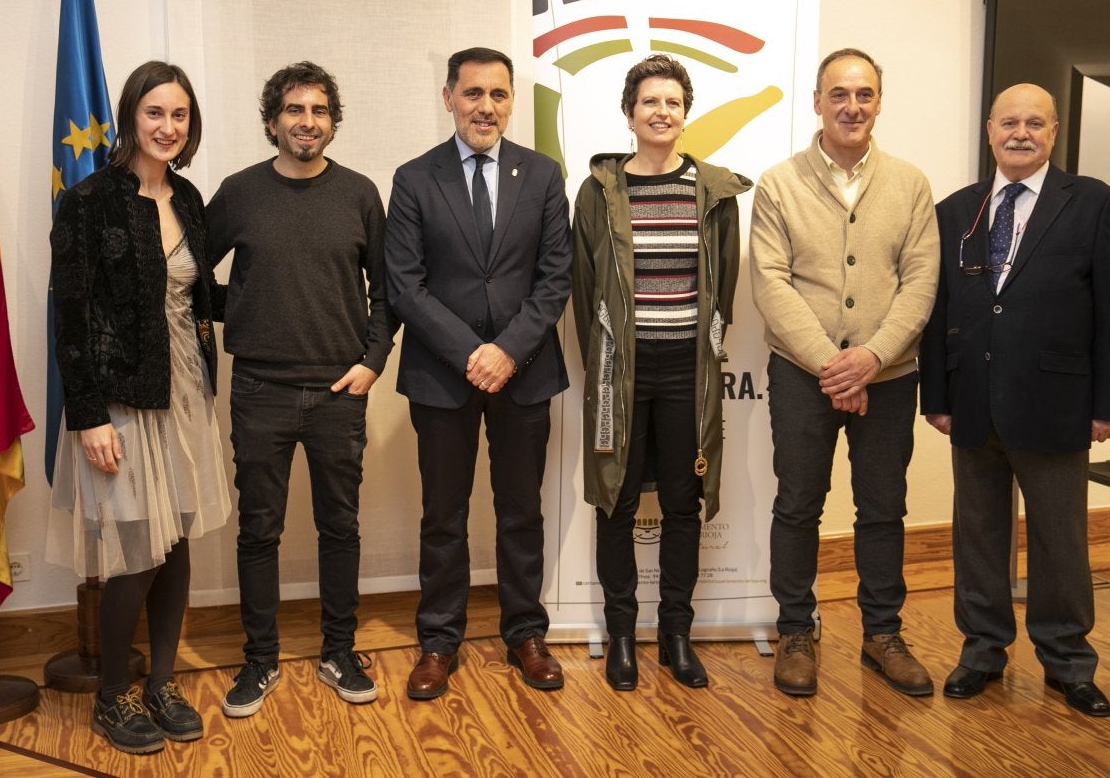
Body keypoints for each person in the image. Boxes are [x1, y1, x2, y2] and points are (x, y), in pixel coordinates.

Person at [919, 83, 1110, 717]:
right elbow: (939, 313)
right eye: (1009, 122)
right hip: (972, 402)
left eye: (1034, 123)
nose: (1020, 133)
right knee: (978, 535)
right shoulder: (957, 210)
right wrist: (937, 394)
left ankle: (1069, 660)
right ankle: (982, 650)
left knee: (1059, 539)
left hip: (1057, 402)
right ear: (990, 131)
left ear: (1054, 132)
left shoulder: (1095, 204)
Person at [48, 60, 231, 754]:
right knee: (134, 549)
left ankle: (161, 680)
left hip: (185, 391)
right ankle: (112, 696)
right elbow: (70, 316)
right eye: (155, 112)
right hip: (119, 401)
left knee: (176, 538)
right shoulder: (90, 200)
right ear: (130, 117)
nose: (167, 126)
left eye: (180, 114)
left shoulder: (188, 197)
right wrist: (88, 413)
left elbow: (198, 298)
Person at [207, 62, 395, 715]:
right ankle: (259, 660)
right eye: (294, 109)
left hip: (341, 393)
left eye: (318, 110)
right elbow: (189, 272)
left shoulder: (361, 195)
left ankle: (338, 650)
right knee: (259, 530)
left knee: (338, 526)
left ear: (332, 122)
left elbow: (388, 290)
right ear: (272, 122)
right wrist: (248, 305)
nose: (306, 120)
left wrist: (374, 359)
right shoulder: (238, 193)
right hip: (259, 391)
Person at [750, 48, 939, 698]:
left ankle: (881, 633)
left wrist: (872, 357)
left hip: (888, 375)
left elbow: (920, 282)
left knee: (883, 507)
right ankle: (797, 630)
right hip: (803, 373)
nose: (851, 106)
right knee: (799, 504)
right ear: (817, 102)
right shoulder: (778, 183)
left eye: (863, 94)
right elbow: (770, 282)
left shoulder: (911, 183)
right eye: (839, 94)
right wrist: (834, 364)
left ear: (879, 102)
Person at [385, 46, 572, 700]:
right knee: (443, 514)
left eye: (498, 94)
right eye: (472, 93)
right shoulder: (413, 178)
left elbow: (555, 279)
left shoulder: (544, 176)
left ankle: (526, 632)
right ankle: (439, 640)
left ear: (511, 100)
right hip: (443, 374)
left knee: (521, 512)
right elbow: (404, 286)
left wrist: (507, 350)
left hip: (524, 372)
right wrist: (472, 351)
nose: (485, 106)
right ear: (448, 98)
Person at [571, 54, 751, 691]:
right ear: (629, 113)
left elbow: (724, 286)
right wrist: (607, 359)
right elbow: (584, 287)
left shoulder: (714, 192)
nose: (662, 111)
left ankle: (676, 632)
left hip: (686, 372)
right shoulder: (597, 192)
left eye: (673, 102)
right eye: (650, 101)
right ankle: (622, 635)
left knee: (683, 502)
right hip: (623, 371)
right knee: (616, 500)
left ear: (685, 113)